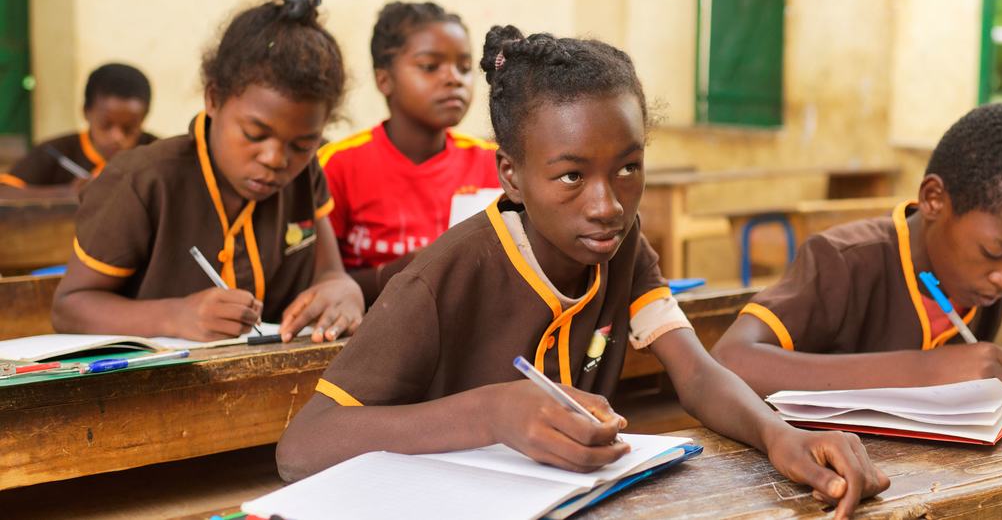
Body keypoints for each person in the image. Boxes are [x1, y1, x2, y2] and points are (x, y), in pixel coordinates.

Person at [277, 26, 889, 518]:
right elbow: (301, 447)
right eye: (572, 176)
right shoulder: (440, 280)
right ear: (511, 174)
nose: (608, 204)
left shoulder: (621, 246)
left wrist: (778, 436)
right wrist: (491, 414)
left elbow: (696, 372)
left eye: (628, 168)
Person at [52, 0, 362, 343]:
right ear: (213, 98)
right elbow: (69, 306)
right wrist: (174, 316)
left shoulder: (305, 174)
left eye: (302, 144)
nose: (276, 159)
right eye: (254, 133)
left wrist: (344, 290)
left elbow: (329, 273)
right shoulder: (141, 180)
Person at [712, 103, 1002, 395]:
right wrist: (926, 369)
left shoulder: (978, 289)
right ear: (934, 199)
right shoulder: (843, 260)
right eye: (995, 254)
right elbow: (730, 360)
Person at [319, 1, 498, 303]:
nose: (454, 78)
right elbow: (318, 280)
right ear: (384, 79)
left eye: (465, 68)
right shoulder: (338, 164)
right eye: (430, 66)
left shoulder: (492, 163)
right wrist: (402, 271)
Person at [0, 63, 156, 190]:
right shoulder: (54, 151)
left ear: (144, 118)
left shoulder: (158, 154)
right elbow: (6, 194)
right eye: (106, 125)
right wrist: (66, 194)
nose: (117, 137)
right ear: (86, 112)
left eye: (129, 129)